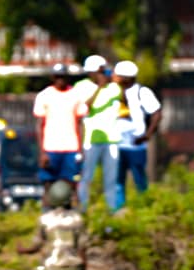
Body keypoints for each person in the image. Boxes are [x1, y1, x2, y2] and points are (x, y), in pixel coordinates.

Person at [75, 55, 121, 211]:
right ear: (91, 72)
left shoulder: (114, 88)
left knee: (111, 179)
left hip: (111, 139)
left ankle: (111, 211)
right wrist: (98, 88)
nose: (104, 74)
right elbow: (85, 107)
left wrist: (107, 83)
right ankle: (84, 209)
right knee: (86, 177)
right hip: (90, 139)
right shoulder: (80, 87)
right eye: (101, 71)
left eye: (105, 71)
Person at [113, 60, 161, 209]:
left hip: (135, 144)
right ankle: (118, 210)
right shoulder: (112, 91)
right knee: (117, 180)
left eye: (119, 76)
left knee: (139, 178)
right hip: (116, 144)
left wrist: (148, 134)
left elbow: (156, 113)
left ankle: (145, 207)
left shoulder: (142, 92)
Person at [33, 63, 85, 194]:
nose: (60, 80)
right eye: (57, 77)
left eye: (62, 77)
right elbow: (39, 125)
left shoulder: (76, 94)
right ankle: (48, 211)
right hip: (50, 147)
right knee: (48, 182)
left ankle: (68, 211)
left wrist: (81, 149)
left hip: (71, 147)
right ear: (52, 77)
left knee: (70, 183)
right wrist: (42, 152)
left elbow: (80, 123)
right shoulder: (44, 95)